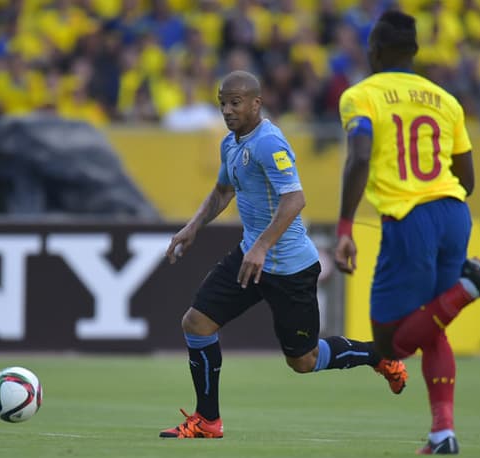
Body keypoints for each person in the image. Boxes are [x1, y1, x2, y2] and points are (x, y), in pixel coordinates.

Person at [160, 70, 408, 439]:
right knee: (196, 324)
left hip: (290, 268)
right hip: (251, 260)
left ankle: (379, 355)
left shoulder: (269, 142)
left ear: (256, 104)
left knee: (303, 361)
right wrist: (193, 227)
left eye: (235, 102)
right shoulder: (231, 143)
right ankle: (208, 420)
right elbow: (223, 190)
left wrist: (262, 246)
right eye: (223, 103)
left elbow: (296, 199)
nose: (227, 110)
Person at [334, 11, 480, 455]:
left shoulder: (360, 95)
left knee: (390, 345)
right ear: (415, 52)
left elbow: (359, 155)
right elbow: (468, 177)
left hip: (410, 219)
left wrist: (345, 226)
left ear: (375, 51)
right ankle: (443, 433)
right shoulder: (445, 100)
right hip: (454, 213)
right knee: (433, 327)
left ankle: (469, 285)